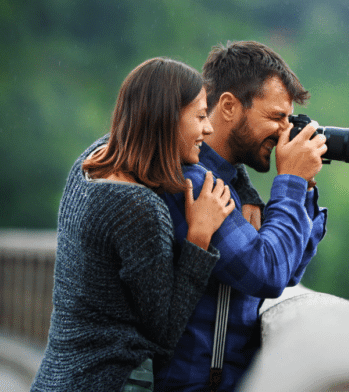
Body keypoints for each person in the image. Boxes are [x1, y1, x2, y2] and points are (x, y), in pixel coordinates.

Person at [31, 57, 235, 392]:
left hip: (57, 376)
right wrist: (200, 236)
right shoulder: (139, 209)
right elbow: (164, 334)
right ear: (168, 119)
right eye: (200, 116)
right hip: (106, 381)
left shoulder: (88, 163)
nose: (208, 128)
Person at [154, 41, 329, 391]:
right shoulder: (193, 183)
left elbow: (289, 268)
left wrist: (304, 188)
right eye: (277, 117)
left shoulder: (231, 184)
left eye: (289, 119)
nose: (285, 132)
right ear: (230, 106)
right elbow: (267, 273)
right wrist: (289, 182)